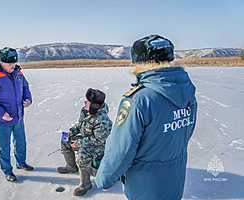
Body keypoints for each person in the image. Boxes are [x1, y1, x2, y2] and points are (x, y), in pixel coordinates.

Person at [95, 35, 197, 200]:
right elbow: (187, 130)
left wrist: (105, 179)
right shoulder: (187, 91)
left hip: (145, 185)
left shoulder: (139, 100)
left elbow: (121, 148)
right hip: (175, 178)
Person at [0, 47, 34, 182]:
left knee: (21, 142)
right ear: (1, 62)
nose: (12, 66)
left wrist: (28, 99)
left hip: (18, 116)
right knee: (4, 147)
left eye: (14, 63)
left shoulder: (18, 72)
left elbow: (25, 87)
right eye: (9, 64)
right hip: (2, 120)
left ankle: (21, 163)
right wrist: (2, 113)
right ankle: (7, 171)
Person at [57, 88, 113, 196]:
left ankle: (86, 184)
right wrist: (72, 131)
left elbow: (99, 140)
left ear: (94, 105)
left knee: (82, 153)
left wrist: (80, 143)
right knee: (65, 139)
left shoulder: (102, 120)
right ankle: (71, 166)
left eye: (87, 102)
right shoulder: (85, 110)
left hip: (99, 146)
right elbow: (80, 124)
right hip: (86, 139)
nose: (85, 103)